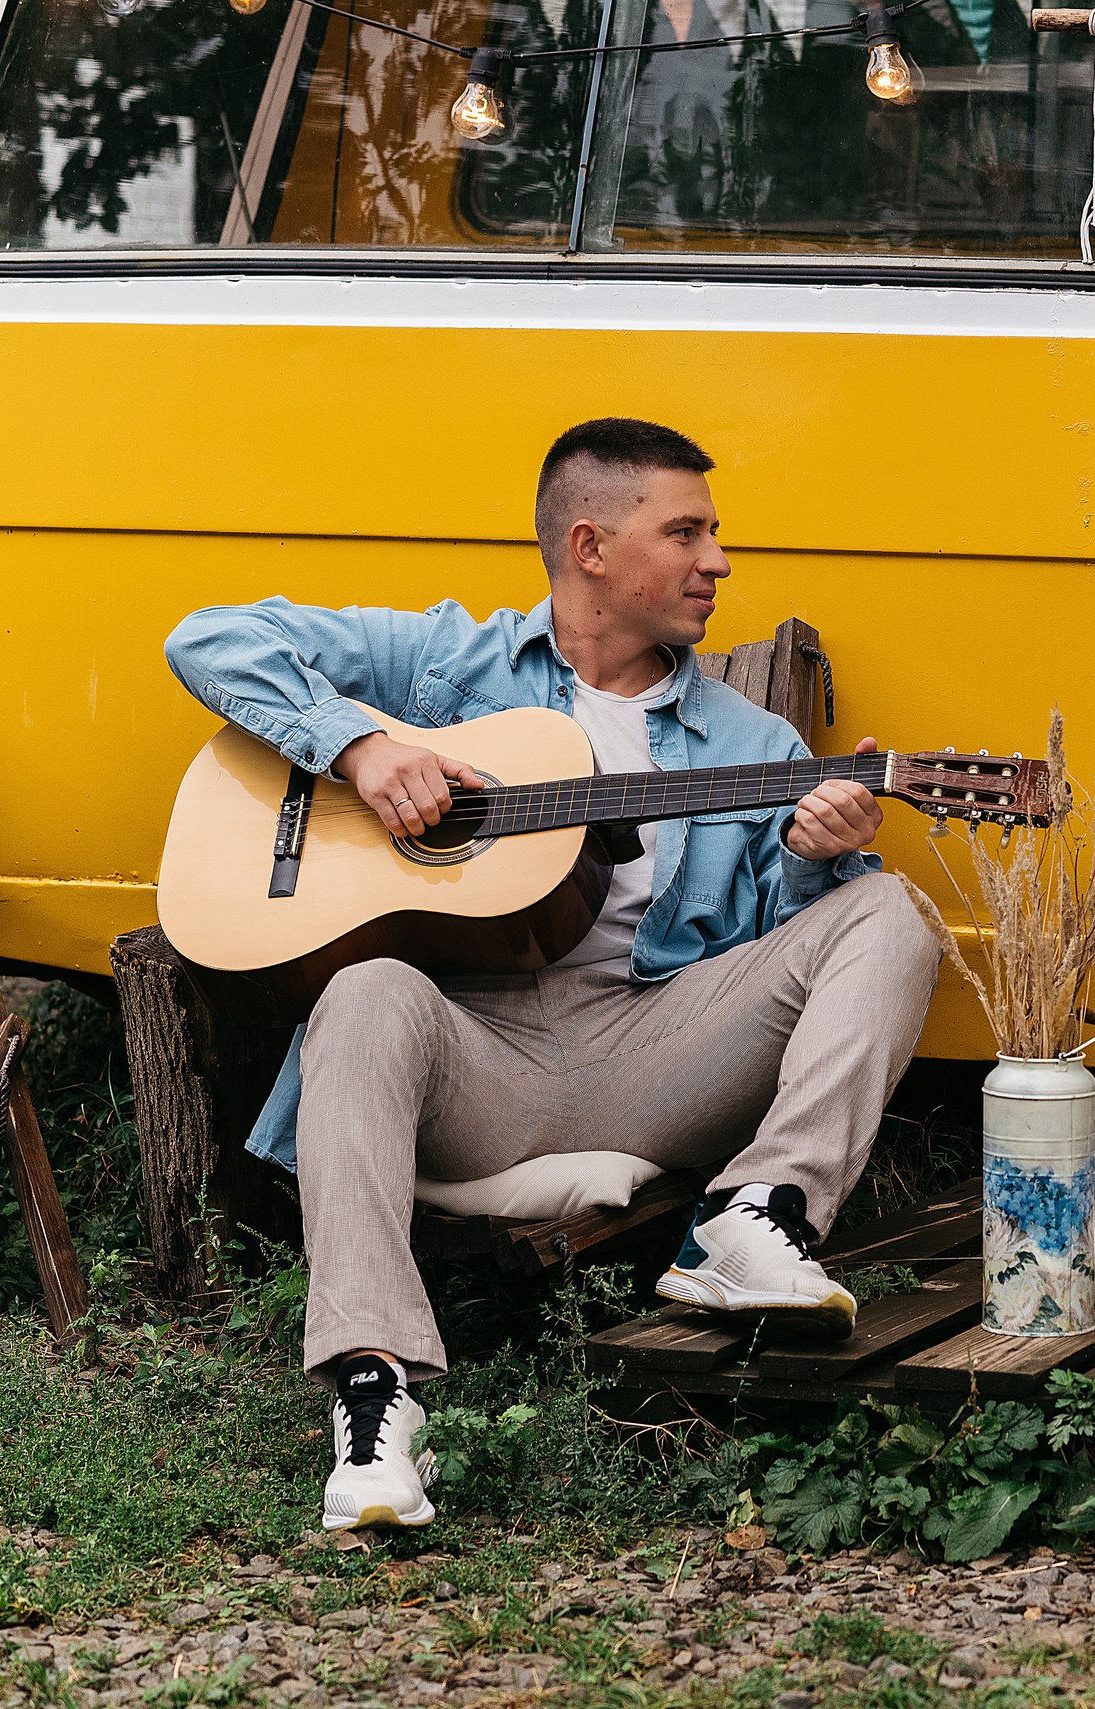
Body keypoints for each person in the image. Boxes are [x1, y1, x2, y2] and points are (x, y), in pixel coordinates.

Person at [163, 418, 941, 1532]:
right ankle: (373, 1405)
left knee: (891, 910)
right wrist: (361, 748)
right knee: (366, 988)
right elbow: (208, 638)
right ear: (589, 547)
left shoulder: (746, 740)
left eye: (714, 533)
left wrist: (818, 854)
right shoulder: (445, 664)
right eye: (686, 531)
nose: (717, 559)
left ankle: (757, 1217)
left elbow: (813, 966)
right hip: (470, 1063)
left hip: (650, 1052)